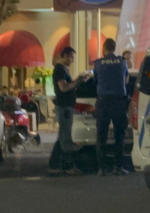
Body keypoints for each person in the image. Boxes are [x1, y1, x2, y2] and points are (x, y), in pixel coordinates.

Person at [48, 47, 87, 175]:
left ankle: (55, 164)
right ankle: (67, 166)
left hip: (67, 106)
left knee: (62, 138)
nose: (72, 60)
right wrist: (76, 82)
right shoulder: (59, 70)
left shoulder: (63, 69)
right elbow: (63, 88)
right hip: (64, 107)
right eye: (71, 57)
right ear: (65, 55)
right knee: (66, 139)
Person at [95, 39, 130, 176]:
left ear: (104, 49)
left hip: (103, 101)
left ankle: (102, 168)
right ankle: (118, 167)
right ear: (114, 48)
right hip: (118, 102)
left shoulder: (98, 63)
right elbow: (126, 81)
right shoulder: (122, 62)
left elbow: (96, 82)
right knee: (119, 136)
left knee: (101, 136)